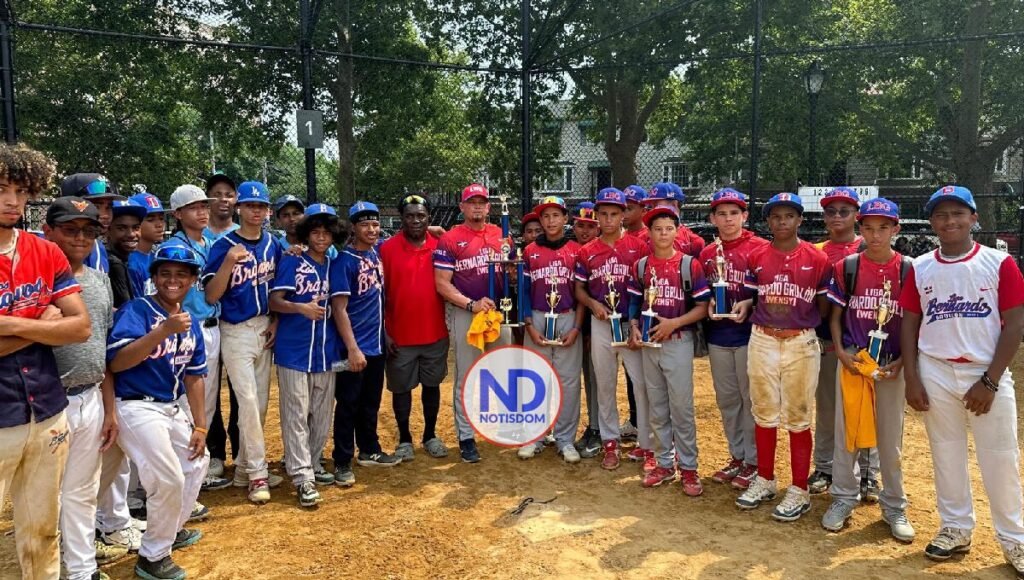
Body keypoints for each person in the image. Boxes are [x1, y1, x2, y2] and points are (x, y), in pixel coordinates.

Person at [899, 186, 1024, 575]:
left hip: (985, 369)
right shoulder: (920, 266)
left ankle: (1015, 539)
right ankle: (955, 527)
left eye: (957, 213)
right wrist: (912, 378)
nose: (949, 221)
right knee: (945, 452)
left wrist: (989, 381)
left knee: (1000, 459)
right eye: (940, 215)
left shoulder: (998, 262)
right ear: (931, 222)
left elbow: (1016, 322)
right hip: (935, 367)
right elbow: (910, 322)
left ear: (973, 217)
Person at [0, 145, 91, 580]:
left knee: (41, 531)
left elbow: (80, 327)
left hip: (47, 408)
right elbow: (60, 324)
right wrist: (40, 320)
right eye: (1, 189)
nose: (11, 201)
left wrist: (10, 324)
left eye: (20, 190)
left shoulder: (45, 252)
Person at [107, 245, 209, 580]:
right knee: (168, 477)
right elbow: (118, 363)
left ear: (193, 280)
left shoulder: (190, 323)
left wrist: (201, 426)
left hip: (170, 406)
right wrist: (162, 331)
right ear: (154, 277)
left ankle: (168, 532)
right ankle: (152, 557)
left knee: (197, 462)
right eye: (165, 272)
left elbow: (195, 376)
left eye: (182, 273)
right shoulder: (137, 310)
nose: (172, 279)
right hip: (134, 405)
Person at [820, 197, 914, 542]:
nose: (876, 235)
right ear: (860, 229)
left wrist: (904, 359)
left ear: (895, 229)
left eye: (884, 228)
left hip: (890, 363)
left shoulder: (907, 269)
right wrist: (842, 354)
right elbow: (835, 315)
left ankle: (894, 505)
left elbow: (913, 322)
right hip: (856, 360)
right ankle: (843, 498)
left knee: (890, 440)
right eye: (869, 228)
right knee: (847, 436)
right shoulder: (848, 266)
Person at [735, 192, 830, 522]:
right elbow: (751, 296)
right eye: (775, 216)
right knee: (763, 411)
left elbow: (823, 305)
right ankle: (765, 478)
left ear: (800, 220)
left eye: (789, 216)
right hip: (762, 339)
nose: (782, 222)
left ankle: (800, 488)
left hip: (799, 342)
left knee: (798, 415)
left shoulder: (817, 259)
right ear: (768, 221)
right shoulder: (758, 255)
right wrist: (746, 305)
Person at [43, 198, 117, 580]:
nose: (80, 238)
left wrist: (110, 409)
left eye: (88, 231)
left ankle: (81, 569)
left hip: (89, 395)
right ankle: (47, 568)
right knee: (43, 495)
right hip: (46, 401)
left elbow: (102, 349)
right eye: (70, 230)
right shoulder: (37, 282)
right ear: (48, 232)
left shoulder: (97, 279)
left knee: (82, 489)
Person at [203, 181, 281, 504]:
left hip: (264, 327)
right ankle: (258, 474)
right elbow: (210, 295)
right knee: (247, 402)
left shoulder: (274, 245)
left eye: (261, 206)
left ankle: (242, 471)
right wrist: (228, 263)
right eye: (250, 205)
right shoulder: (224, 245)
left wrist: (275, 320)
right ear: (239, 208)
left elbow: (279, 289)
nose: (256, 211)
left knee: (259, 404)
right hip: (234, 329)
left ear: (267, 211)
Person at [630, 206, 710, 494]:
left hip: (678, 340)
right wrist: (633, 326)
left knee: (682, 408)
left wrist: (674, 322)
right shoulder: (641, 266)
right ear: (649, 232)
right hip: (650, 343)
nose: (663, 234)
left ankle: (689, 468)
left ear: (677, 231)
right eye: (657, 229)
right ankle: (664, 462)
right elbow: (633, 304)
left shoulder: (689, 265)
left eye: (668, 228)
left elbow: (702, 307)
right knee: (657, 406)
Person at [271, 204, 343, 505]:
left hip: (325, 350)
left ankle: (313, 462)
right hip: (294, 348)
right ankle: (302, 477)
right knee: (296, 414)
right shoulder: (293, 261)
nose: (321, 238)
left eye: (326, 232)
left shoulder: (334, 264)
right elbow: (275, 301)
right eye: (315, 232)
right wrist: (299, 307)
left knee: (322, 413)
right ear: (305, 234)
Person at [434, 183, 512, 463]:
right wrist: (470, 304)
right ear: (462, 207)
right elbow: (442, 284)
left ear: (489, 207)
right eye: (471, 202)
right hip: (467, 311)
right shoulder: (452, 239)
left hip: (497, 311)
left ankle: (505, 425)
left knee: (503, 368)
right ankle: (466, 436)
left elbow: (510, 270)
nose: (477, 206)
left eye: (482, 202)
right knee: (467, 375)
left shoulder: (501, 234)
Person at [574, 187, 651, 471]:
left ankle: (646, 442)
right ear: (596, 217)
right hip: (602, 323)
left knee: (641, 383)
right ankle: (609, 441)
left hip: (630, 324)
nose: (608, 219)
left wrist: (636, 322)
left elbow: (647, 289)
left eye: (614, 214)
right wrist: (593, 304)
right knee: (604, 383)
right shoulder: (587, 251)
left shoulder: (638, 247)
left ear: (622, 216)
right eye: (603, 214)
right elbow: (579, 288)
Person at [161, 184, 232, 491]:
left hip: (213, 327)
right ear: (178, 214)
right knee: (188, 402)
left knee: (207, 401)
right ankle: (184, 471)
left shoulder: (212, 241)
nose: (202, 211)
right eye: (194, 207)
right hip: (189, 329)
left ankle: (193, 472)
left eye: (204, 206)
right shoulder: (176, 248)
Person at [810, 187, 879, 499]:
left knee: (867, 409)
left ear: (856, 216)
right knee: (827, 407)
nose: (837, 217)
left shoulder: (868, 247)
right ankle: (824, 466)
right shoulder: (817, 249)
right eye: (830, 211)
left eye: (844, 211)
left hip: (868, 343)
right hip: (827, 339)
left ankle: (868, 473)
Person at [699, 188, 767, 490]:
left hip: (751, 334)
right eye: (722, 214)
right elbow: (702, 294)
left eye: (734, 213)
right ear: (713, 217)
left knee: (749, 398)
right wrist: (709, 305)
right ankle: (737, 456)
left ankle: (755, 460)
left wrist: (750, 303)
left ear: (745, 216)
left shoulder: (760, 248)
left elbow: (771, 291)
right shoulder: (706, 254)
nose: (728, 219)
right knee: (727, 399)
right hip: (718, 333)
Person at [331, 200, 401, 486]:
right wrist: (352, 347)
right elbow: (339, 308)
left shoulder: (374, 254)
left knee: (371, 401)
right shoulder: (344, 261)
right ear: (352, 227)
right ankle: (342, 460)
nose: (372, 229)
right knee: (348, 403)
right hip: (354, 345)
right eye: (364, 224)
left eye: (375, 223)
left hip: (375, 343)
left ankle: (369, 449)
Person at [380, 195, 450, 461]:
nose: (416, 220)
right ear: (401, 218)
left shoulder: (441, 245)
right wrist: (385, 331)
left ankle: (430, 435)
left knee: (432, 387)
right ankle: (405, 439)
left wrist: (442, 233)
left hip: (434, 333)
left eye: (421, 215)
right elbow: (378, 292)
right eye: (410, 215)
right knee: (401, 389)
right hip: (399, 334)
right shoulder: (386, 248)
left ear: (428, 217)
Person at [520, 196, 585, 464]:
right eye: (545, 216)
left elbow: (581, 293)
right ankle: (534, 436)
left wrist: (577, 327)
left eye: (556, 215)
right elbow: (523, 291)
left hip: (567, 316)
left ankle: (565, 438)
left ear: (565, 219)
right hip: (536, 316)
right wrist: (528, 324)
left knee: (568, 381)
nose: (550, 221)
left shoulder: (576, 250)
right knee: (536, 379)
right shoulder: (530, 251)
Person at [570, 201, 602, 458]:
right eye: (580, 225)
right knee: (579, 377)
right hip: (571, 323)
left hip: (597, 324)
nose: (585, 231)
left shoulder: (599, 252)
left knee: (596, 379)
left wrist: (589, 331)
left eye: (590, 226)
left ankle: (597, 428)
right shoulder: (571, 250)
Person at [620, 184, 648, 444]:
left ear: (643, 208)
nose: (625, 213)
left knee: (642, 373)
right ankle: (635, 420)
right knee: (630, 374)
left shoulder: (648, 238)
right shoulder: (619, 235)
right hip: (621, 312)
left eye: (630, 208)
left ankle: (645, 425)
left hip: (641, 313)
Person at [60, 172, 122, 274]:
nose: (105, 215)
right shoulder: (53, 245)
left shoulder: (98, 245)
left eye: (108, 207)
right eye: (96, 207)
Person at [640, 182, 705, 257]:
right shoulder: (644, 235)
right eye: (651, 206)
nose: (652, 210)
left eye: (656, 205)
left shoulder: (691, 239)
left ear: (674, 205)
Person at [106, 198, 147, 307]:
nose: (131, 234)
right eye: (121, 228)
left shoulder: (123, 260)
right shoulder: (113, 264)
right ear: (108, 230)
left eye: (136, 228)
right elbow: (126, 310)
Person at [128, 191, 167, 298]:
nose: (159, 225)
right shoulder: (130, 262)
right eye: (150, 219)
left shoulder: (158, 255)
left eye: (161, 218)